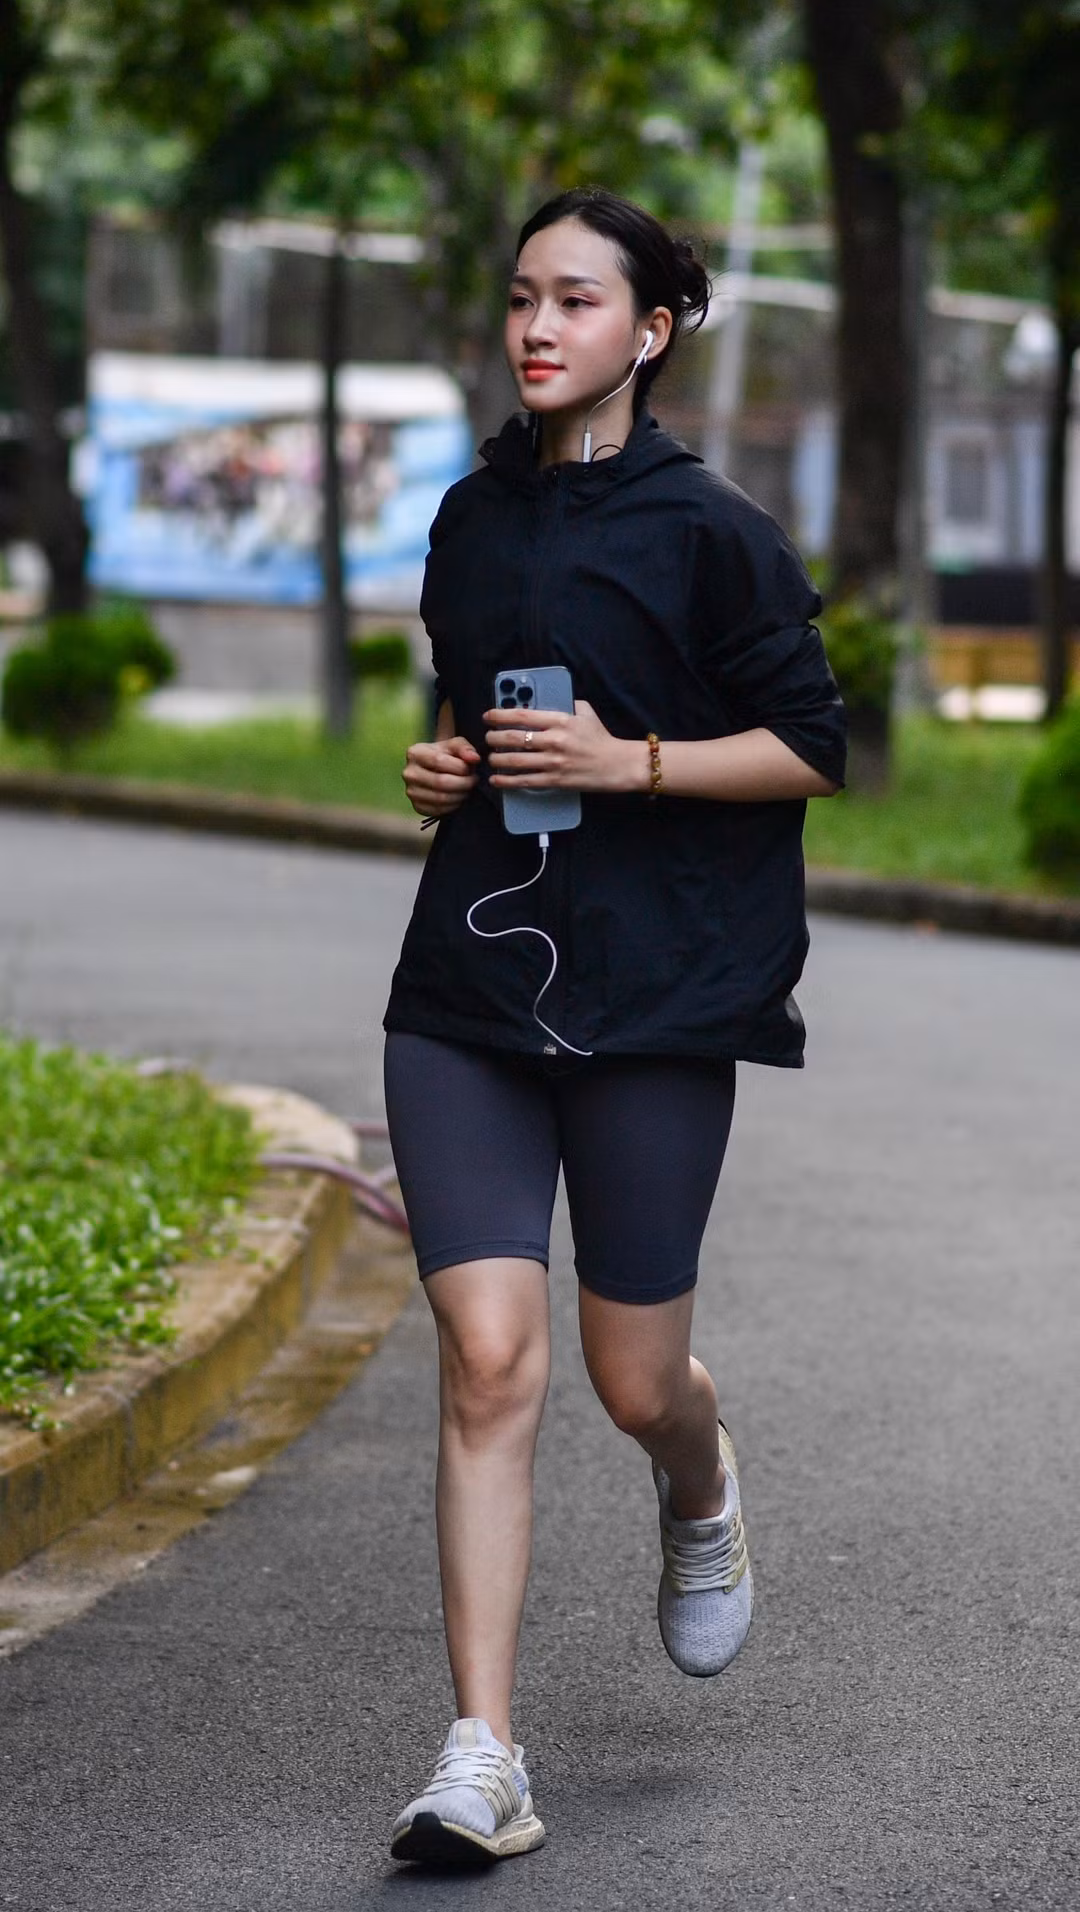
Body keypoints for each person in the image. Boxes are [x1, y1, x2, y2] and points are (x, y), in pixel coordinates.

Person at [381, 186, 847, 1867]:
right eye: (523, 296)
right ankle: (482, 1757)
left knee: (631, 1377)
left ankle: (698, 1484)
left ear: (649, 332)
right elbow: (467, 712)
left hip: (659, 991)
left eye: (576, 300)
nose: (537, 326)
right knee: (488, 1356)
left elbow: (810, 747)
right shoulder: (468, 516)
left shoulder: (713, 530)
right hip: (470, 987)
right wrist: (444, 767)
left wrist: (626, 762)